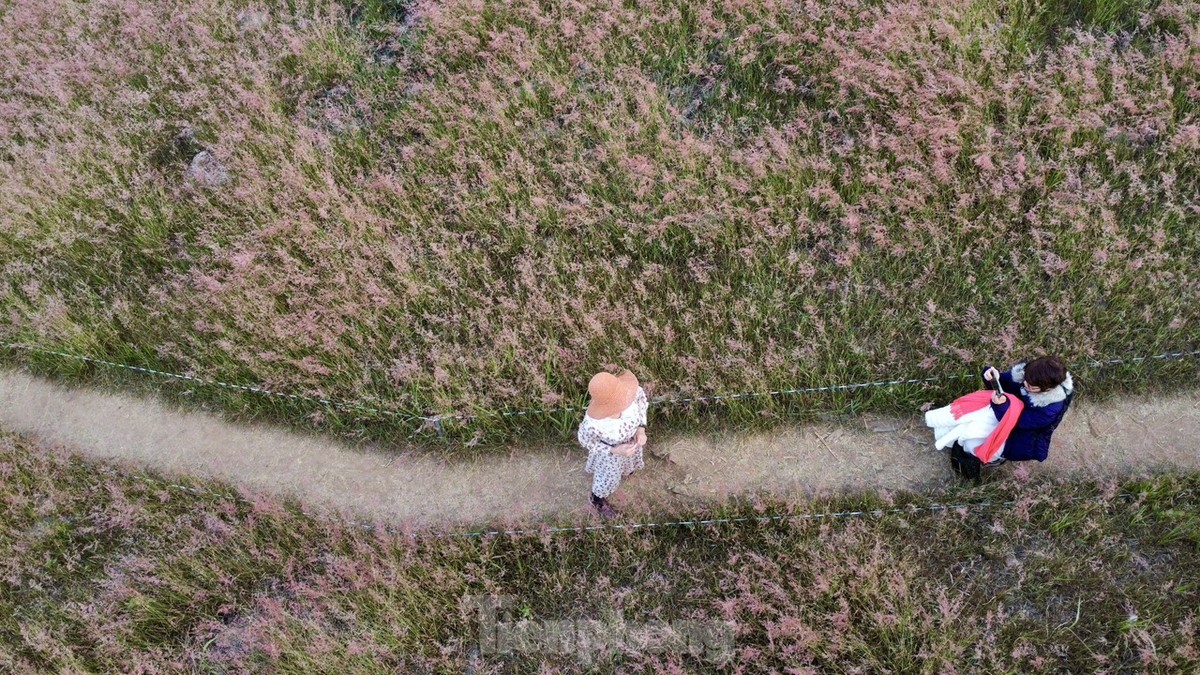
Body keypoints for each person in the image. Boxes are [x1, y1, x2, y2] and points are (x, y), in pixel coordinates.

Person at [577, 369, 648, 518]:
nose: (625, 401)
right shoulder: (593, 424)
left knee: (628, 464)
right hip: (611, 456)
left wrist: (641, 430)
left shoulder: (632, 392)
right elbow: (586, 441)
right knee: (608, 478)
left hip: (631, 443)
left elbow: (642, 403)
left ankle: (626, 471)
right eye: (619, 401)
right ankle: (597, 499)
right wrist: (614, 451)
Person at [979, 355, 1074, 463]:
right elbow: (1005, 383)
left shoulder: (1051, 408)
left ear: (1048, 389)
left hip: (1020, 439)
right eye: (1025, 381)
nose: (1025, 385)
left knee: (977, 445)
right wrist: (993, 376)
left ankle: (995, 459)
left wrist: (1000, 406)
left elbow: (1019, 422)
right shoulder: (1030, 376)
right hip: (1005, 417)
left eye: (1031, 387)